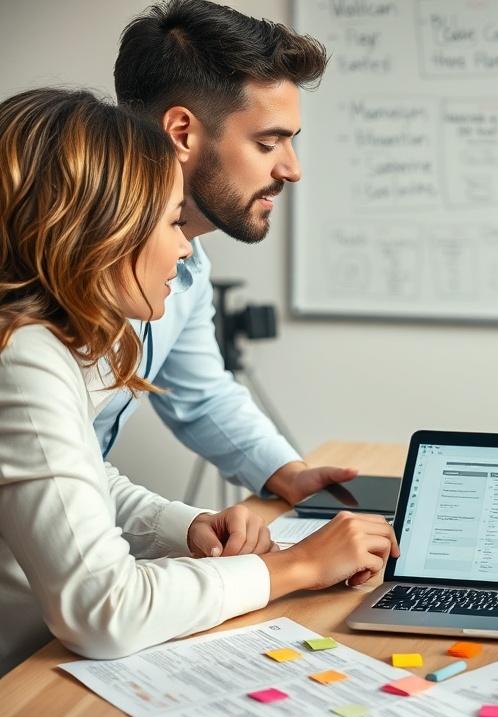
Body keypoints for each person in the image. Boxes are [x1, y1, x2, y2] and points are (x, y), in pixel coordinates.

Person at [0, 89, 398, 675]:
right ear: (99, 232)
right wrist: (298, 567)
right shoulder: (24, 356)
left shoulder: (48, 338)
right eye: (169, 221)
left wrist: (186, 527)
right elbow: (103, 610)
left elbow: (79, 473)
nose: (183, 248)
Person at [95, 0, 354, 505]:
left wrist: (286, 473)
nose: (292, 170)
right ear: (182, 133)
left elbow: (202, 393)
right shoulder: (50, 279)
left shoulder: (187, 262)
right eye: (268, 143)